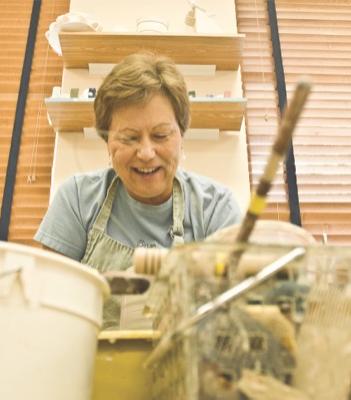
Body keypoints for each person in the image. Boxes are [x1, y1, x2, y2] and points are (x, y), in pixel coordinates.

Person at [34, 52, 243, 330]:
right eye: (129, 137)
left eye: (160, 136)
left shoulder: (216, 208)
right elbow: (48, 310)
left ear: (181, 136)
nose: (146, 153)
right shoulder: (77, 198)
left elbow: (234, 316)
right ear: (107, 141)